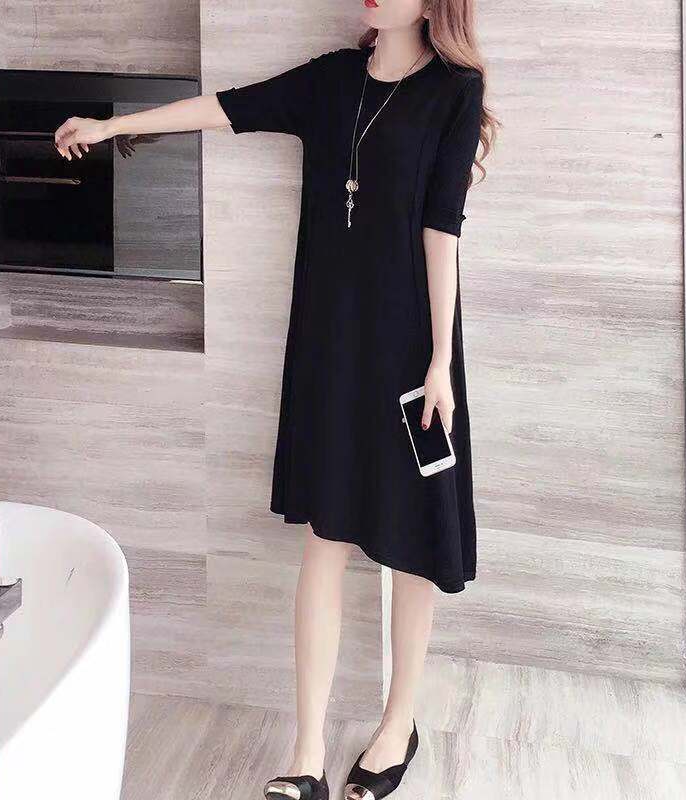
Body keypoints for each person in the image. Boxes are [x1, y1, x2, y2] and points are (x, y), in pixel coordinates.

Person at [54, 1, 496, 798]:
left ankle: (398, 724)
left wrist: (440, 360)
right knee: (326, 535)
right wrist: (114, 126)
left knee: (412, 542)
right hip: (331, 344)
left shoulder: (454, 91)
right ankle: (306, 751)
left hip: (410, 349)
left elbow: (443, 230)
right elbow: (227, 108)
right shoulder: (332, 82)